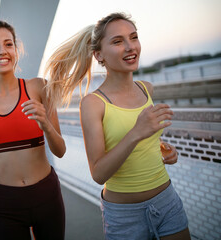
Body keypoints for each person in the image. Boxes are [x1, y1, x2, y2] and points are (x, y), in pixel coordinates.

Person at [44, 12, 190, 240]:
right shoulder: (93, 103)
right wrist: (137, 132)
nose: (130, 47)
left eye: (133, 37)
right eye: (118, 41)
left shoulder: (146, 89)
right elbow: (99, 173)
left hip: (167, 201)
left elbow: (142, 138)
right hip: (124, 216)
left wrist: (161, 146)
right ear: (98, 55)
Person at [0, 20, 66, 240]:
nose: (2, 51)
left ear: (16, 49)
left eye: (8, 44)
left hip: (46, 195)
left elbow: (60, 150)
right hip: (5, 203)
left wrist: (46, 124)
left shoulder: (38, 87)